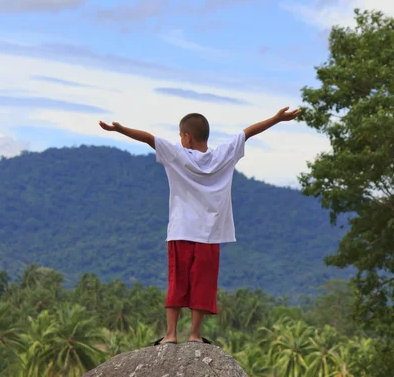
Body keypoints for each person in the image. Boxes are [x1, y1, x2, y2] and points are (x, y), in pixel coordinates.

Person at [99, 106, 301, 345]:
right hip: (210, 235)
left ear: (186, 136)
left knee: (177, 282)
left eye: (179, 135)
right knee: (202, 285)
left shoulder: (177, 154)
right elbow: (248, 133)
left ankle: (171, 334)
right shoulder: (223, 155)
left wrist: (120, 129)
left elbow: (148, 139)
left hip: (181, 232)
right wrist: (277, 119)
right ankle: (194, 335)